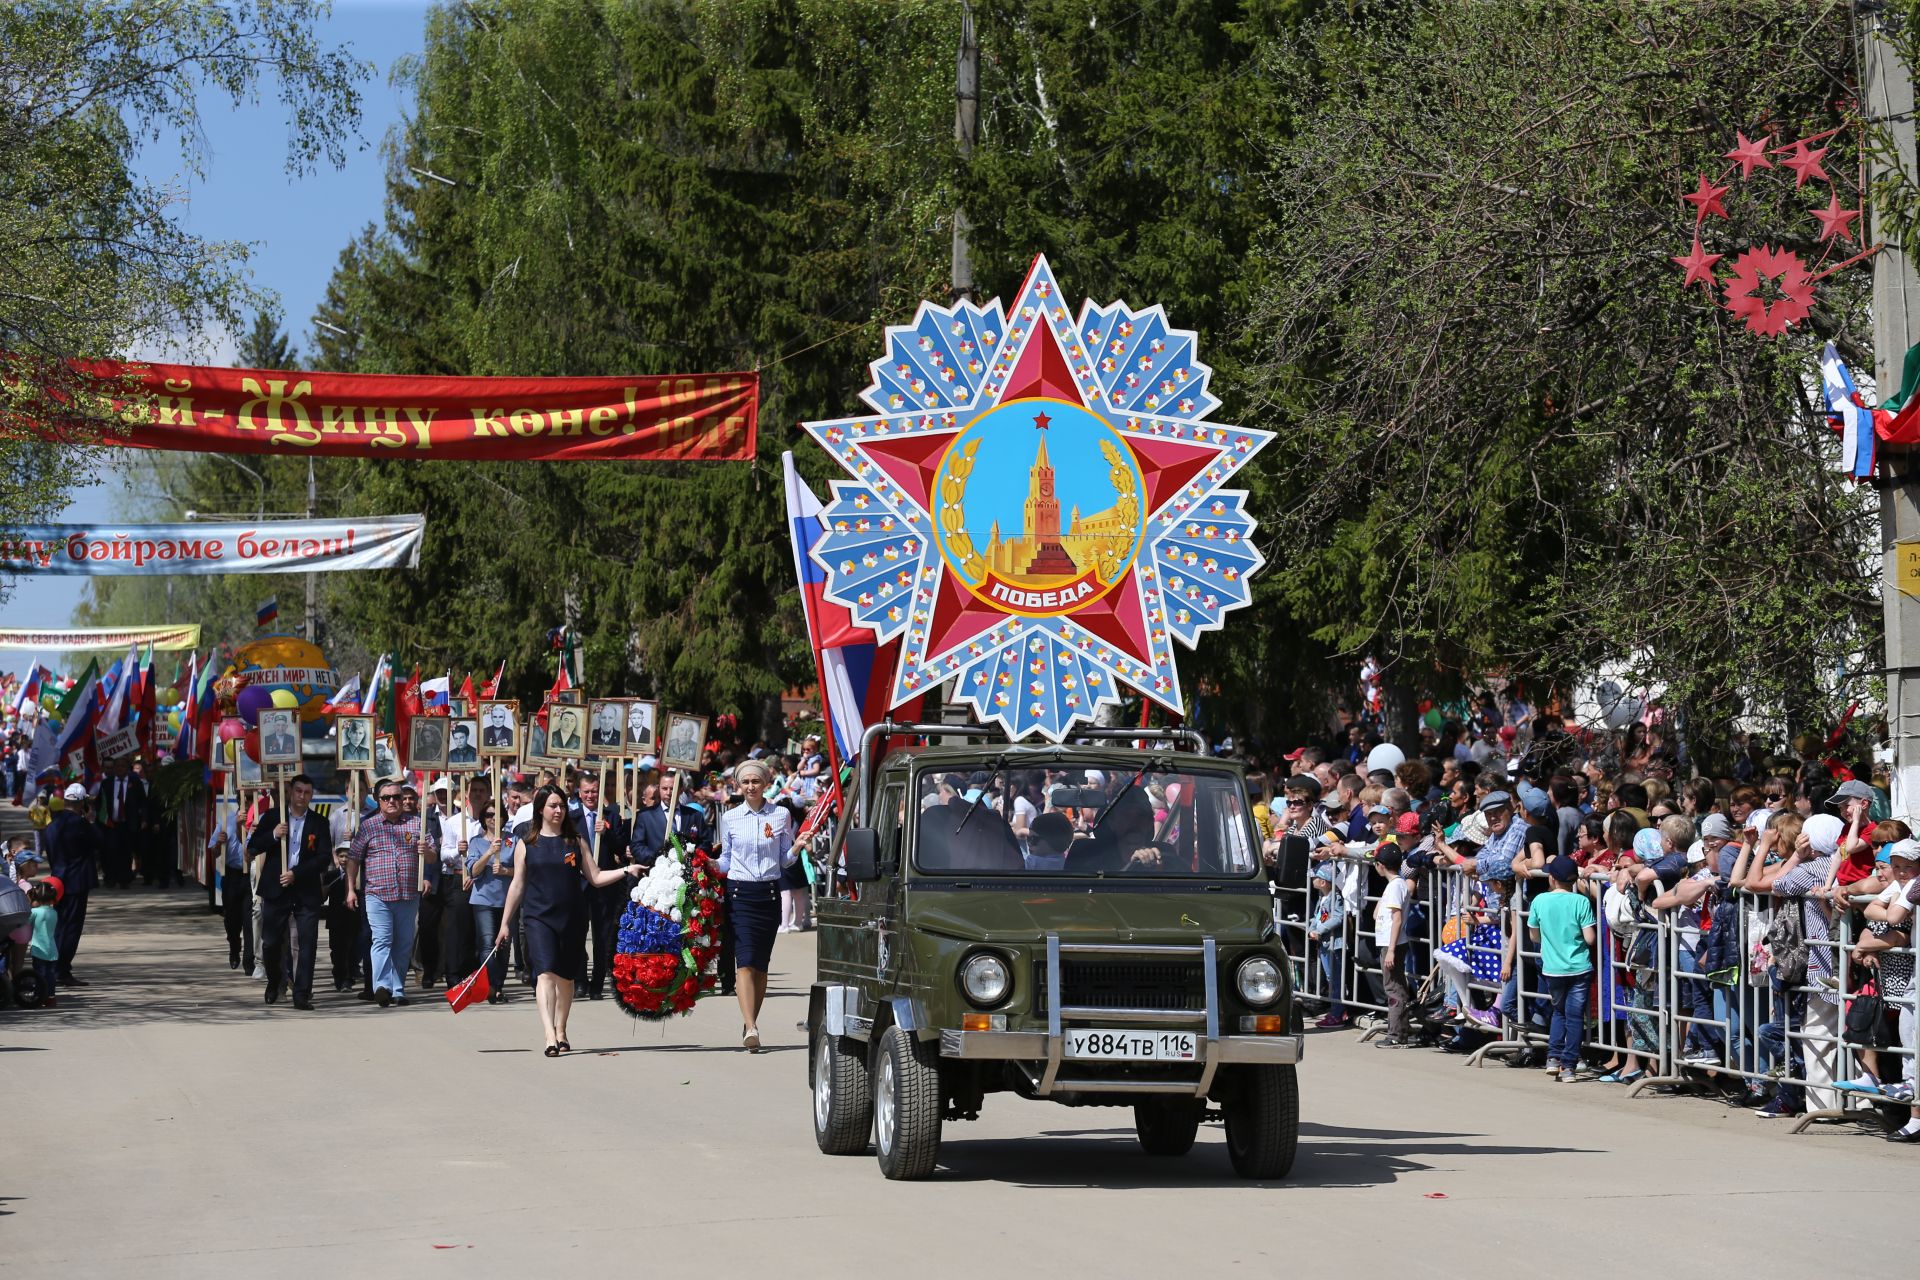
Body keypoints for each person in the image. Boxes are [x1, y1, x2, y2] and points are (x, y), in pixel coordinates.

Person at [493, 784, 641, 1054]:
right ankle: (549, 1035)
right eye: (553, 806)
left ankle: (561, 1028)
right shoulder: (527, 844)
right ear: (541, 809)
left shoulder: (576, 842)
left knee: (566, 978)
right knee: (545, 974)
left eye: (561, 805)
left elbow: (595, 878)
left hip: (572, 917)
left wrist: (626, 869)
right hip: (538, 917)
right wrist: (505, 923)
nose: (558, 810)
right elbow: (517, 885)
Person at [717, 758, 794, 1052]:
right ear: (738, 785)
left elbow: (785, 858)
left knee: (761, 965)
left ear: (765, 783)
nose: (750, 787)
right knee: (745, 961)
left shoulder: (781, 815)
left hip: (769, 894)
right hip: (740, 893)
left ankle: (751, 1019)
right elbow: (726, 858)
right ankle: (751, 1027)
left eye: (756, 781)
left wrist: (798, 848)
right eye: (745, 782)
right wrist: (708, 864)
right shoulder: (731, 817)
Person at [248, 775, 330, 1009]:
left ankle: (302, 992)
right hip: (276, 888)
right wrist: (273, 835)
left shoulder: (318, 822)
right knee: (271, 942)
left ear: (311, 796)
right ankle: (275, 982)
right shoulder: (274, 817)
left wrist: (298, 873)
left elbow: (323, 858)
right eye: (298, 791)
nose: (302, 796)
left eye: (307, 792)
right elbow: (253, 846)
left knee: (307, 943)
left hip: (305, 890)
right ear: (291, 792)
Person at [347, 778, 428, 1007]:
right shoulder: (369, 825)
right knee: (381, 940)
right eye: (386, 797)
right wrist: (351, 889)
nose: (392, 801)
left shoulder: (416, 824)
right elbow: (353, 859)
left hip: (408, 895)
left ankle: (398, 989)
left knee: (403, 943)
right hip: (377, 895)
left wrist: (427, 851)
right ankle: (381, 986)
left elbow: (432, 857)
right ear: (378, 801)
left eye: (396, 797)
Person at [1529, 855, 1596, 1082]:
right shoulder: (1581, 902)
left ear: (1552, 878)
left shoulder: (1539, 901)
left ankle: (1553, 1058)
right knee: (1575, 1016)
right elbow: (1590, 938)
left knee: (1558, 1012)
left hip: (1553, 968)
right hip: (1579, 967)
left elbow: (1534, 934)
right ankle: (1568, 1066)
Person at [43, 783, 97, 987]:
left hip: (57, 880)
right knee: (72, 927)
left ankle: (56, 967)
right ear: (82, 803)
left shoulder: (52, 825)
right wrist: (91, 821)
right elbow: (99, 841)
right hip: (76, 882)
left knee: (59, 926)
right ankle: (62, 969)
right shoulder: (80, 824)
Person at [464, 805, 512, 1003]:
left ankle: (498, 985)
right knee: (486, 943)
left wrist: (506, 871)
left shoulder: (512, 840)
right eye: (489, 815)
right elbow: (473, 871)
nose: (493, 818)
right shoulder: (476, 842)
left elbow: (523, 870)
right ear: (484, 819)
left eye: (498, 814)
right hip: (483, 899)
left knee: (504, 945)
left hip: (508, 900)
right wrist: (489, 853)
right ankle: (492, 985)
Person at [1372, 845, 1413, 1047]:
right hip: (1388, 942)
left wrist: (1391, 950)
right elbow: (1377, 914)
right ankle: (1400, 1029)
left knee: (1394, 989)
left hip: (1392, 944)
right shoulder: (1393, 886)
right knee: (1395, 986)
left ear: (1380, 865)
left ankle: (1396, 1034)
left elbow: (1396, 920)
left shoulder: (1396, 886)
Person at [208, 797, 254, 973]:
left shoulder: (257, 822)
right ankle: (234, 947)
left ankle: (249, 960)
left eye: (251, 802)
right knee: (232, 920)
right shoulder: (225, 821)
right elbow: (214, 851)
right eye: (246, 802)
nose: (248, 806)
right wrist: (219, 842)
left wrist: (245, 828)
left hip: (250, 875)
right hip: (232, 874)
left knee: (250, 920)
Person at [27, 881, 59, 1007]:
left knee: (39, 975)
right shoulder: (54, 913)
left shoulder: (34, 912)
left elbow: (26, 923)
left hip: (39, 948)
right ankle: (51, 997)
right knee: (50, 975)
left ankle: (38, 996)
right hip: (52, 949)